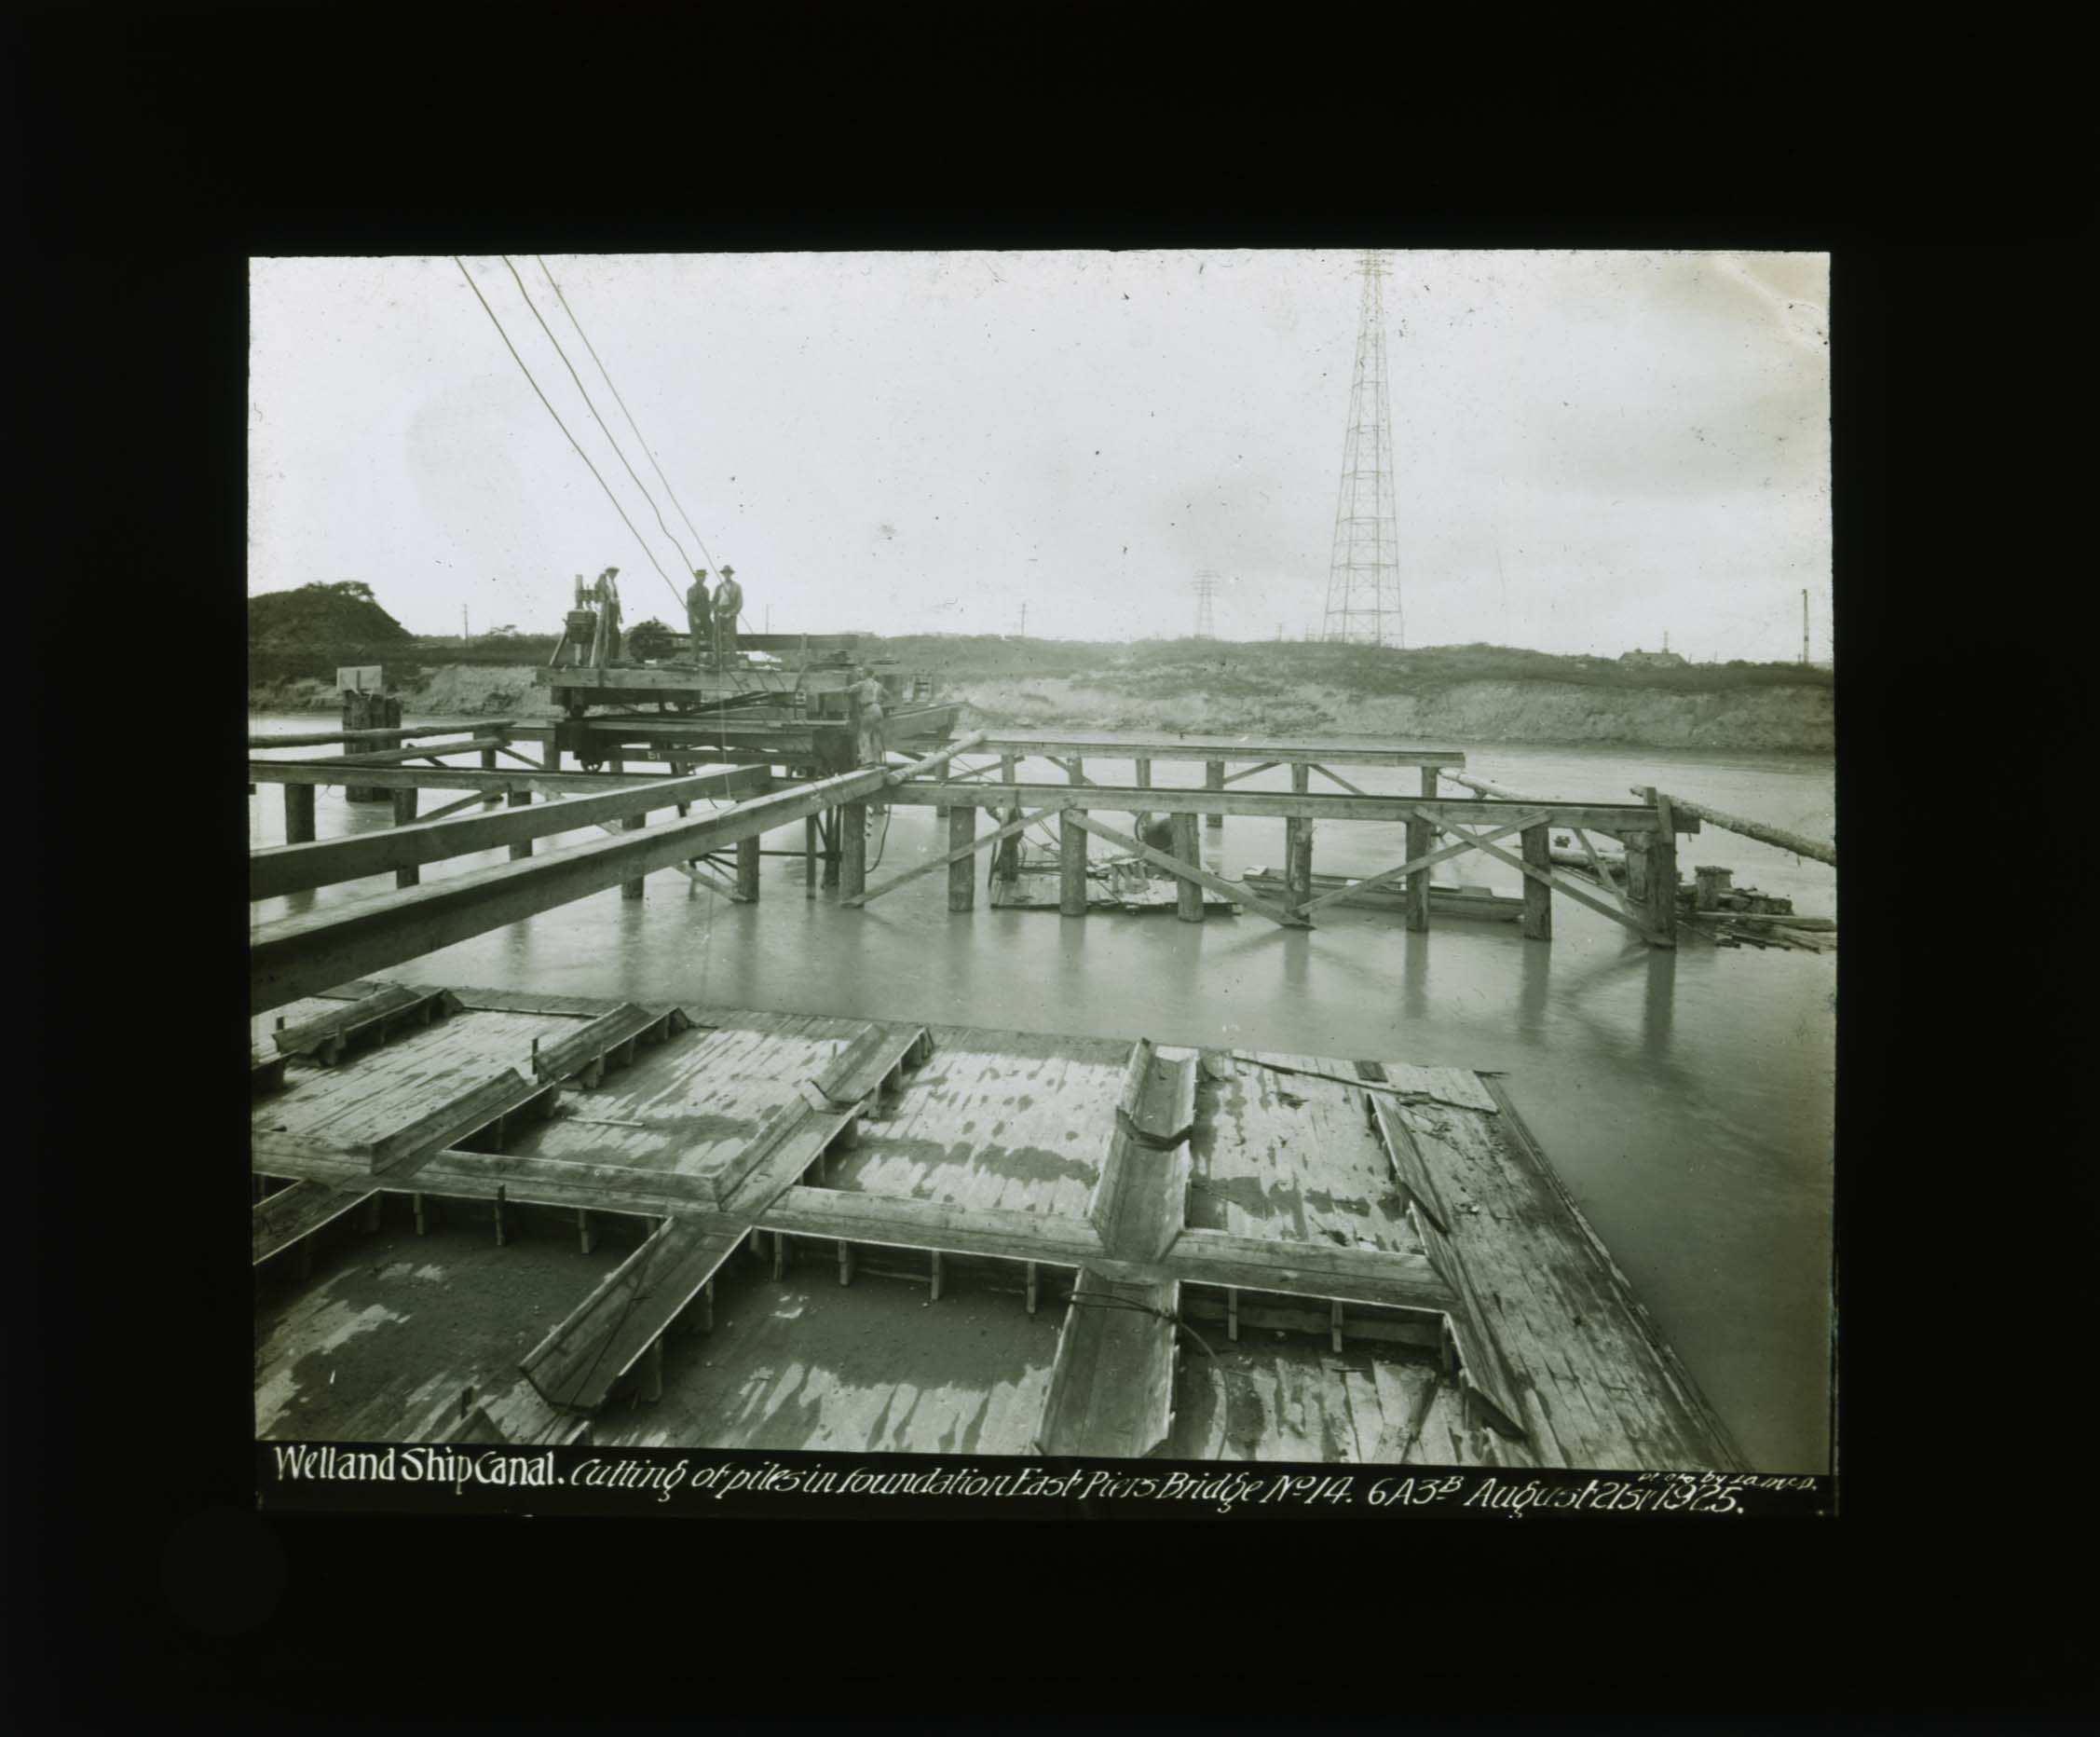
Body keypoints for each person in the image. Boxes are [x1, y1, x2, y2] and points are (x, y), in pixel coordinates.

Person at [847, 664, 887, 768]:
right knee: (876, 735)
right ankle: (878, 761)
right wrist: (879, 701)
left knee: (863, 735)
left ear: (866, 673)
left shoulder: (862, 684)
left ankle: (867, 762)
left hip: (868, 709)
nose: (860, 674)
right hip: (878, 709)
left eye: (862, 672)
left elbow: (849, 690)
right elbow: (888, 695)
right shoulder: (878, 685)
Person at [712, 565, 743, 663]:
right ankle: (716, 661)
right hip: (719, 613)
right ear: (723, 574)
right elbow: (713, 602)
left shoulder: (737, 587)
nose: (727, 575)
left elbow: (739, 604)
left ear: (731, 574)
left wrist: (730, 614)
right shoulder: (719, 587)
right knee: (717, 638)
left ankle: (732, 662)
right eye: (725, 573)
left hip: (730, 614)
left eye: (729, 573)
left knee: (731, 638)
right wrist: (717, 611)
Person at [684, 568, 712, 666]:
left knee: (710, 636)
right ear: (696, 577)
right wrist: (695, 617)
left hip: (706, 617)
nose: (702, 578)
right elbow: (689, 605)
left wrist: (710, 612)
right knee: (695, 638)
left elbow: (708, 603)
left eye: (703, 576)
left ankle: (709, 658)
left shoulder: (706, 590)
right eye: (700, 576)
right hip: (695, 617)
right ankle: (694, 659)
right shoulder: (692, 589)